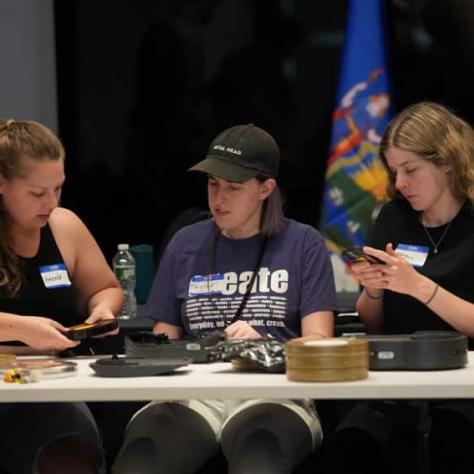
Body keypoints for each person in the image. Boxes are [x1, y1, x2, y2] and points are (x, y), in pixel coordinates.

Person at [112, 124, 337, 474]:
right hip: (193, 392)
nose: (219, 199)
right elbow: (163, 339)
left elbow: (320, 342)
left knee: (259, 460)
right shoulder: (186, 243)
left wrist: (266, 347)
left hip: (274, 390)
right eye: (212, 184)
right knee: (140, 461)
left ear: (266, 188)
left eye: (233, 187)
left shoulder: (303, 243)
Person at [322, 101, 474, 474]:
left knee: (453, 443)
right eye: (394, 171)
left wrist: (418, 286)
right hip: (400, 375)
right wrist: (374, 289)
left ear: (447, 162)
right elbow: (375, 324)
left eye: (410, 170)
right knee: (349, 445)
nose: (400, 183)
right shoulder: (393, 217)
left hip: (465, 381)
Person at [0, 119, 123, 473]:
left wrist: (101, 309)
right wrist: (20, 328)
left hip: (46, 380)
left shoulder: (64, 225)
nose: (51, 202)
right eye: (37, 193)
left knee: (74, 457)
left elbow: (106, 288)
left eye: (58, 189)